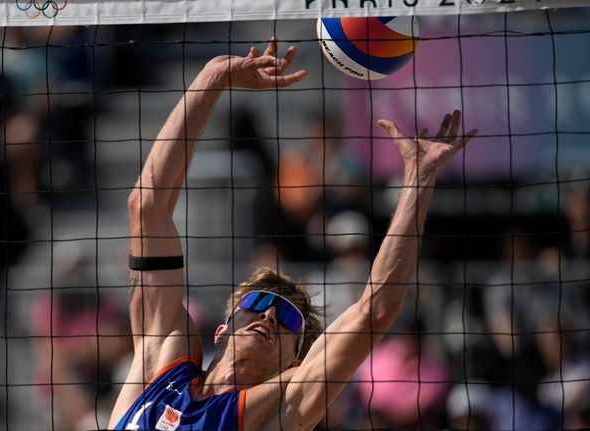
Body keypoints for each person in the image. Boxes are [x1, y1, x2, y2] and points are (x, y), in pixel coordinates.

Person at [109, 38, 478, 430]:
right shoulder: (161, 372)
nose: (269, 315)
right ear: (222, 329)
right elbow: (147, 210)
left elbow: (375, 312)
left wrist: (418, 181)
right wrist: (213, 76)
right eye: (257, 303)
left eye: (288, 319)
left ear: (293, 361)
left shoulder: (281, 411)